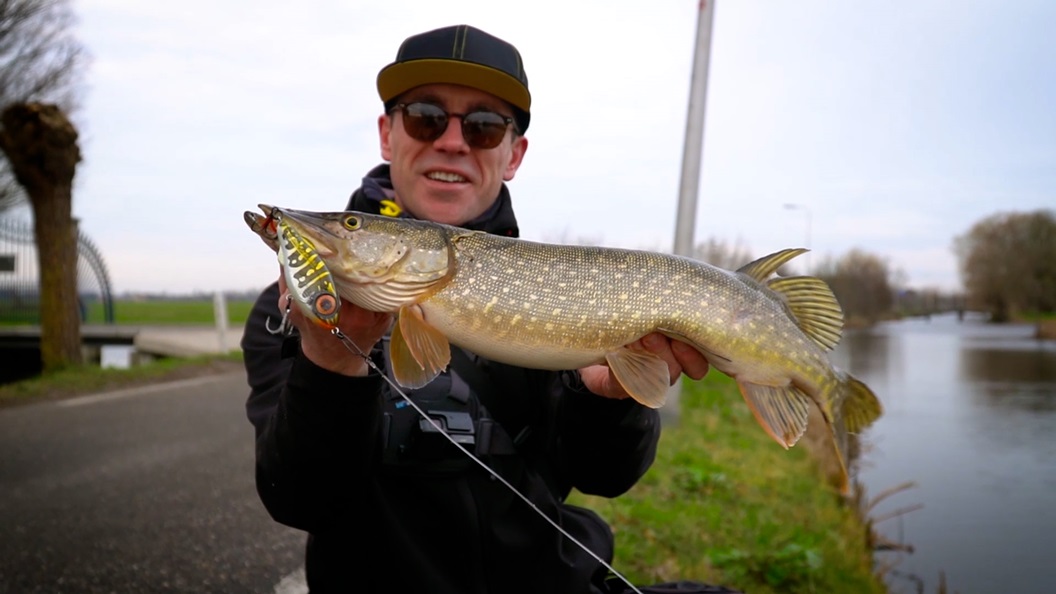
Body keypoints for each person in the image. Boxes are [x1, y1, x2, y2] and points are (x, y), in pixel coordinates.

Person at [243, 24, 713, 594]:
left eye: (485, 127)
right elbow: (298, 498)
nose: (452, 142)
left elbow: (605, 475)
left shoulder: (563, 289)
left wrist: (608, 399)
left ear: (513, 154)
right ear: (387, 135)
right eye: (424, 116)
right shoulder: (284, 311)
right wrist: (330, 360)